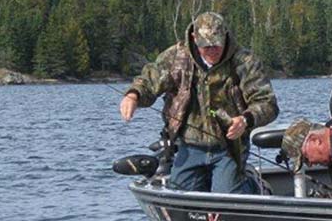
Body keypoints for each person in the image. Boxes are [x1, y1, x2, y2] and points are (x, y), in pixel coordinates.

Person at [119, 11, 279, 193]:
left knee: (226, 196)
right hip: (189, 146)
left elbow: (267, 104)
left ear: (225, 36)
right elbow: (148, 81)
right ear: (194, 38)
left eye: (216, 45)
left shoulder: (245, 61)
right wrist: (133, 95)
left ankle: (253, 185)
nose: (212, 50)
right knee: (178, 194)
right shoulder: (176, 57)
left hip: (229, 148)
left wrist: (246, 120)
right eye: (206, 46)